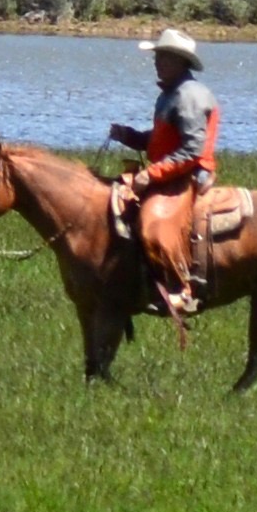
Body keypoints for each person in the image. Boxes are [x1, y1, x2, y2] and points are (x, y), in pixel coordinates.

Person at [106, 27, 219, 320]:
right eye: (157, 57)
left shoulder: (189, 96)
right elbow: (162, 141)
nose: (157, 63)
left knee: (152, 225)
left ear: (180, 62)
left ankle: (183, 288)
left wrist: (151, 174)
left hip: (190, 174)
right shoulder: (170, 94)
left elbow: (192, 151)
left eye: (164, 57)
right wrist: (130, 136)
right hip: (171, 171)